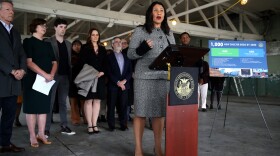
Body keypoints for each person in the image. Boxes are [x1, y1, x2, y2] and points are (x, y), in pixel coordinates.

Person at [127, 2, 175, 156]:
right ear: (150, 13)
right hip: (144, 77)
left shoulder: (169, 32)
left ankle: (158, 147)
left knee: (159, 114)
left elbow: (174, 53)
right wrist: (143, 49)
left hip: (162, 77)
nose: (159, 13)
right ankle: (138, 149)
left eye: (161, 10)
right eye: (155, 10)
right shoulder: (140, 31)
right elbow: (130, 54)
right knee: (140, 113)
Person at [22, 18, 57, 147]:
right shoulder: (28, 41)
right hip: (32, 79)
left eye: (45, 26)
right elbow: (29, 62)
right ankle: (32, 136)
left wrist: (51, 74)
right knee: (31, 109)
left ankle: (41, 134)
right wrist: (46, 74)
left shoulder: (48, 44)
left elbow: (54, 62)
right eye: (42, 25)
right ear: (34, 27)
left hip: (46, 80)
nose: (44, 27)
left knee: (43, 108)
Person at [0, 0, 26, 153]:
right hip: (2, 78)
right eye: (8, 9)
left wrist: (22, 69)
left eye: (13, 10)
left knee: (9, 116)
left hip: (13, 83)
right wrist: (11, 70)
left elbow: (22, 54)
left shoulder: (15, 32)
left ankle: (5, 143)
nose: (12, 12)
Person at [45, 18, 75, 137]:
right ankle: (46, 128)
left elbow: (68, 61)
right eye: (61, 27)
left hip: (65, 76)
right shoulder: (48, 41)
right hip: (52, 76)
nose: (63, 29)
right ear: (55, 28)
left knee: (63, 102)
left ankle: (64, 125)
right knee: (50, 102)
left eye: (64, 27)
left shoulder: (68, 44)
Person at [78, 28, 107, 134]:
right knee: (89, 100)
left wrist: (102, 72)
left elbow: (105, 63)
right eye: (93, 35)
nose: (95, 36)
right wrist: (93, 73)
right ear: (89, 36)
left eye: (97, 35)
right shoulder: (85, 48)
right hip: (89, 77)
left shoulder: (102, 49)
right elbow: (82, 63)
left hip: (100, 78)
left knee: (97, 100)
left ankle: (95, 124)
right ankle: (89, 125)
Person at [106, 37, 132, 131]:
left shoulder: (126, 57)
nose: (118, 43)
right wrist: (117, 82)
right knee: (111, 106)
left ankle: (123, 125)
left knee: (123, 106)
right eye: (116, 42)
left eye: (119, 42)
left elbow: (130, 71)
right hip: (113, 85)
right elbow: (108, 72)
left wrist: (124, 81)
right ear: (112, 45)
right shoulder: (109, 57)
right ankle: (111, 125)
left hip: (124, 86)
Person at [69, 39, 85, 125]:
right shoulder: (69, 56)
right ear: (72, 47)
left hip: (83, 81)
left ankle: (87, 119)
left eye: (78, 45)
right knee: (73, 101)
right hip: (72, 82)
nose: (77, 46)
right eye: (75, 45)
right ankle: (75, 119)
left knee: (84, 101)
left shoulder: (84, 56)